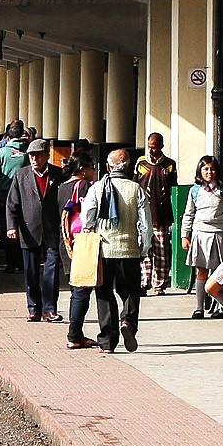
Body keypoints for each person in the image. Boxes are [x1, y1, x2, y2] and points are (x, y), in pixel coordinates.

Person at [82, 148, 153, 353]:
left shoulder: (97, 188)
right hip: (129, 251)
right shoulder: (136, 189)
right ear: (129, 167)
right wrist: (144, 248)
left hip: (104, 250)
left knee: (104, 294)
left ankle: (107, 340)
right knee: (130, 291)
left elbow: (87, 217)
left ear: (107, 167)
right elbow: (146, 224)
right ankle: (128, 322)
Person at [6, 139, 65, 323]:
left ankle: (50, 309)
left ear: (47, 155)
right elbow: (12, 203)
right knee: (30, 272)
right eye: (31, 156)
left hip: (52, 230)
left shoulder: (58, 174)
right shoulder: (21, 175)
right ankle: (34, 308)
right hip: (29, 230)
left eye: (38, 155)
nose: (34, 159)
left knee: (52, 270)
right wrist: (11, 226)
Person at [180, 155, 223, 319]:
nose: (209, 172)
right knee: (201, 272)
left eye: (212, 169)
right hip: (200, 234)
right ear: (200, 171)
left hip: (221, 235)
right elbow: (188, 214)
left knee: (220, 273)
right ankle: (199, 308)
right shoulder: (195, 190)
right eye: (206, 169)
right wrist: (184, 235)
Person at [59, 154, 99, 348]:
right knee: (81, 291)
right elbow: (88, 214)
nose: (93, 170)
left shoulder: (62, 186)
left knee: (76, 289)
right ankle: (74, 336)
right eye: (91, 167)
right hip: (81, 242)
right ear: (83, 169)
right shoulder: (83, 186)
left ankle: (76, 333)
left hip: (66, 242)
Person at [135, 132, 178, 294]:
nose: (151, 151)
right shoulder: (140, 163)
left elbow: (173, 188)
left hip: (162, 215)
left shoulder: (169, 165)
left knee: (161, 251)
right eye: (149, 147)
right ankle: (144, 282)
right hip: (143, 215)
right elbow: (135, 184)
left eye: (154, 147)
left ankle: (159, 284)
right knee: (144, 250)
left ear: (161, 146)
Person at [0, 121, 30, 272]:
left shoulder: (1, 152)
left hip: (4, 195)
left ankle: (11, 263)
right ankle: (22, 261)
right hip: (25, 195)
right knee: (23, 227)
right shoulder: (28, 152)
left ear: (8, 135)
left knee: (8, 227)